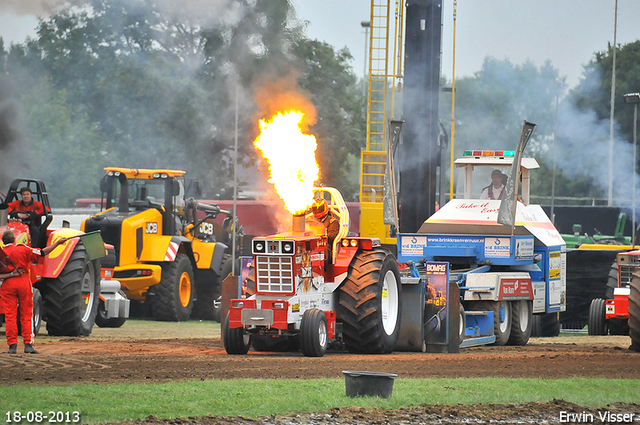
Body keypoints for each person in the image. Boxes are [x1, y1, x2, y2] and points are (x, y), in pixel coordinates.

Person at [0, 229, 71, 354]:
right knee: (27, 314)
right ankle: (28, 344)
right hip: (23, 282)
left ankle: (12, 346)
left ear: (3, 241)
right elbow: (42, 252)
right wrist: (57, 243)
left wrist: (11, 273)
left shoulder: (2, 254)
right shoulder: (23, 249)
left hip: (8, 284)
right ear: (15, 240)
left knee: (10, 316)